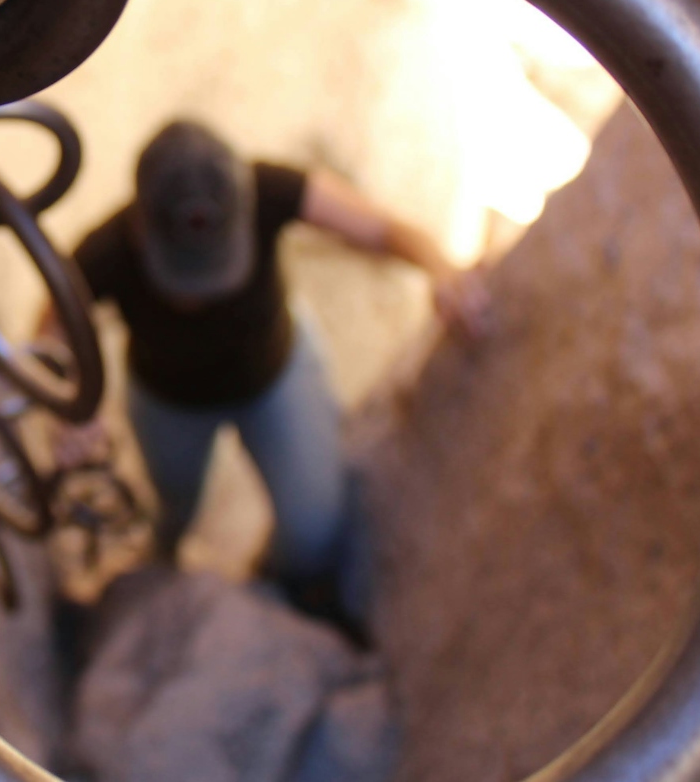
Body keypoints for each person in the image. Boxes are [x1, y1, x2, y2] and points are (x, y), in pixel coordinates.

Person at [44, 119, 490, 639]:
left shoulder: (269, 189)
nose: (200, 295)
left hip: (276, 378)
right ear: (141, 227)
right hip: (168, 401)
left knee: (314, 526)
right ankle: (161, 564)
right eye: (186, 274)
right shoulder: (106, 250)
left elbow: (382, 229)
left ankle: (271, 584)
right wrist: (68, 405)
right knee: (172, 504)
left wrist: (444, 270)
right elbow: (53, 327)